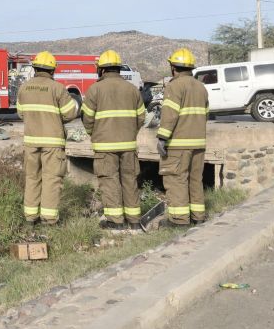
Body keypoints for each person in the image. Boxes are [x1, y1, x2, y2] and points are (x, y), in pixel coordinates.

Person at [81, 50, 146, 230]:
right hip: (128, 145)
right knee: (129, 180)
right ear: (118, 69)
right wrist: (130, 132)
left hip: (104, 146)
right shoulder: (132, 89)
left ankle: (115, 221)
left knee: (109, 181)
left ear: (101, 70)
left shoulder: (95, 89)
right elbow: (141, 117)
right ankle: (134, 221)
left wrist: (93, 134)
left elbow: (87, 118)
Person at [16, 51, 79, 225]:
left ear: (35, 68)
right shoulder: (57, 88)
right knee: (51, 178)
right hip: (53, 142)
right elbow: (70, 113)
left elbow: (21, 113)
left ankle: (30, 217)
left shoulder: (24, 88)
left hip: (31, 141)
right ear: (52, 70)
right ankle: (49, 219)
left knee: (32, 177)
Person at [156, 48, 209, 228]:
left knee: (176, 180)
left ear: (173, 67)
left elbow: (169, 114)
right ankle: (198, 216)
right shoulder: (201, 87)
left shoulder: (174, 86)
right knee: (195, 180)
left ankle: (179, 221)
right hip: (198, 143)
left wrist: (162, 137)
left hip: (178, 144)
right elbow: (205, 114)